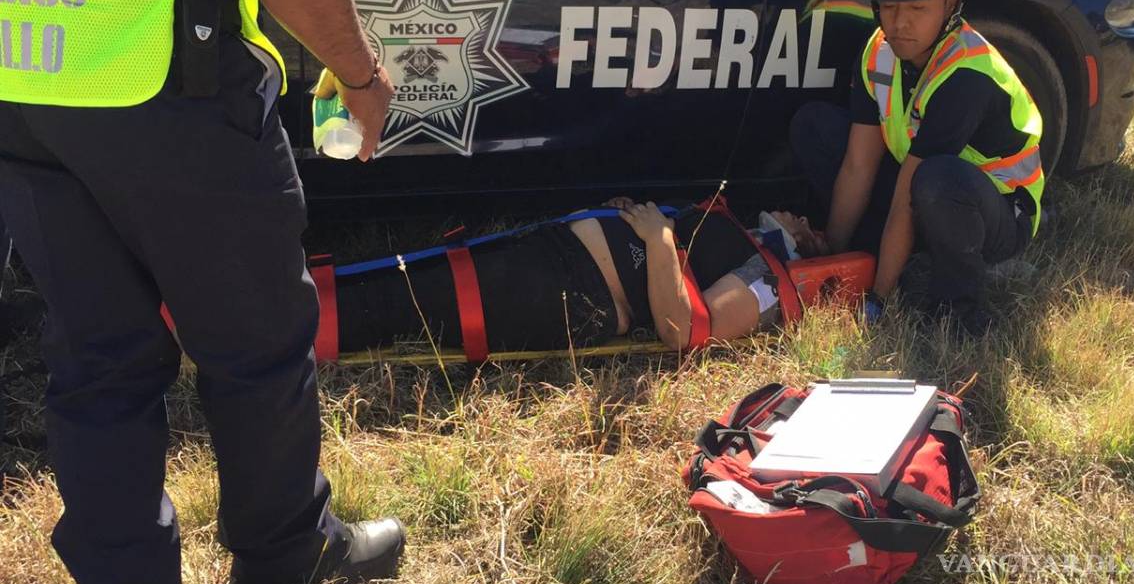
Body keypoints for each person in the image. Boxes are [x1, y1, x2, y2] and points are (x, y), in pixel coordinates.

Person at [0, 0, 405, 584]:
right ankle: (286, 558)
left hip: (24, 74)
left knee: (98, 359)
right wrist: (359, 75)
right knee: (257, 344)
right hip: (168, 74)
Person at [790, 0, 1045, 335]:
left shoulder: (966, 75)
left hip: (995, 210)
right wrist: (835, 255)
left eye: (917, 7)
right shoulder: (879, 51)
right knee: (816, 127)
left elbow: (908, 198)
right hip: (925, 189)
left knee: (936, 181)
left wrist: (877, 299)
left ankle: (958, 310)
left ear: (951, 1)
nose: (900, 23)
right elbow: (859, 165)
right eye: (889, 7)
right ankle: (881, 253)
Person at [336, 199, 827, 353]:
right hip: (557, 257)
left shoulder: (769, 278)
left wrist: (658, 240)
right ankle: (296, 304)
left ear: (808, 244)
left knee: (396, 304)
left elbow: (685, 331)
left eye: (803, 221)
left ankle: (289, 328)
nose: (792, 213)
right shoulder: (736, 228)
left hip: (574, 289)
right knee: (407, 280)